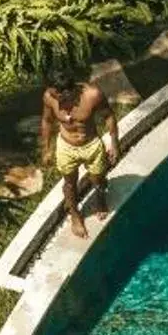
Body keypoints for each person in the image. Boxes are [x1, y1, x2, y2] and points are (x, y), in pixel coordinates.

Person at [38, 64, 119, 240]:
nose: (56, 100)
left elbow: (109, 116)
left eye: (58, 96)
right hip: (66, 146)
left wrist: (114, 143)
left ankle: (100, 197)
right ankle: (75, 215)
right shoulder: (49, 97)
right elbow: (46, 121)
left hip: (91, 144)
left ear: (70, 90)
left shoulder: (92, 95)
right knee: (69, 184)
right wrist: (46, 149)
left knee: (98, 178)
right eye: (52, 94)